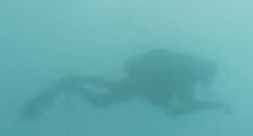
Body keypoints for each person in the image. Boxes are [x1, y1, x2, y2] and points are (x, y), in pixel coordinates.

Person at [21, 49, 228, 119]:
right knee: (103, 102)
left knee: (112, 87)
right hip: (142, 85)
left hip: (140, 83)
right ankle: (70, 83)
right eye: (207, 76)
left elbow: (179, 106)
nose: (207, 81)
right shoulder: (187, 77)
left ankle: (74, 80)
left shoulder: (185, 72)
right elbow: (186, 105)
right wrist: (216, 106)